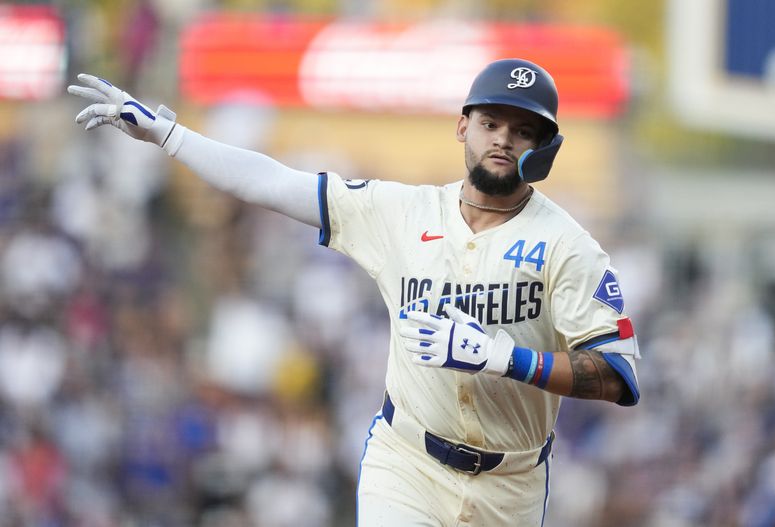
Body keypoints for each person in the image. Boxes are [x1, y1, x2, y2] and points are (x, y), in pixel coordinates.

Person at [68, 58, 640, 526]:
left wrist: (502, 358)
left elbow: (616, 375)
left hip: (511, 486)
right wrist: (169, 135)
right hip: (409, 461)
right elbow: (271, 183)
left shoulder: (569, 245)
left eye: (523, 131)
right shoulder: (400, 211)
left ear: (545, 146)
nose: (503, 140)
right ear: (462, 125)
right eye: (492, 122)